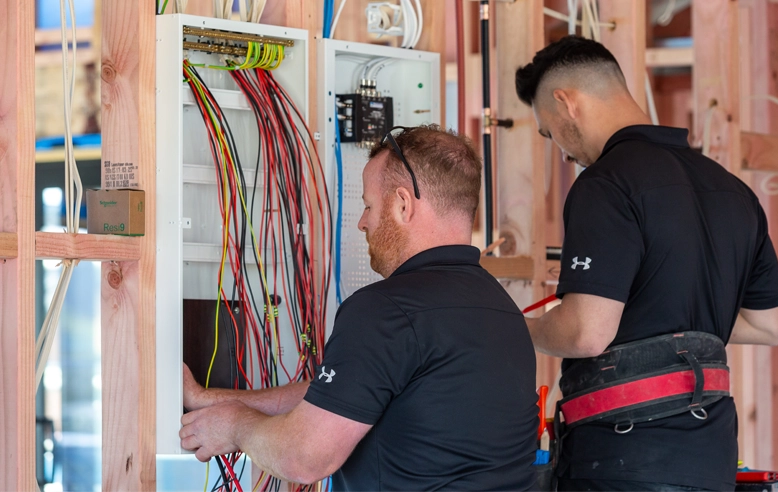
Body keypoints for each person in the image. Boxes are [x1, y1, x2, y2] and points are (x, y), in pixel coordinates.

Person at [179, 124, 539, 491]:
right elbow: (345, 396)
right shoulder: (505, 311)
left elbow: (304, 458)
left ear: (403, 204)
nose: (362, 222)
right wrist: (207, 400)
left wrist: (237, 426)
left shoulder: (386, 310)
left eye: (368, 205)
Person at [515, 36, 778, 492]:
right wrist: (655, 305)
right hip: (710, 462)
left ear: (566, 103)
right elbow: (769, 326)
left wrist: (516, 329)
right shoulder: (733, 191)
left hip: (623, 462)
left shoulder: (605, 185)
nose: (560, 150)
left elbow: (586, 333)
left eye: (549, 131)